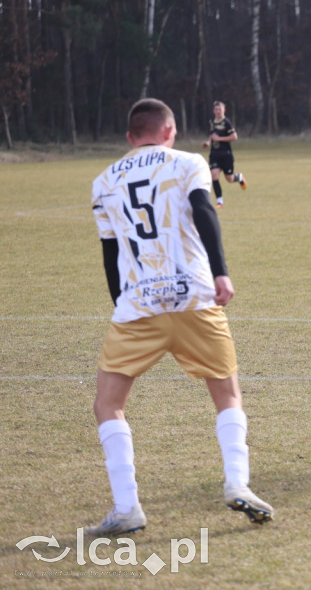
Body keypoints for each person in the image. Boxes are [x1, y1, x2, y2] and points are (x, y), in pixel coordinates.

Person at [87, 98, 273, 535]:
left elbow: (111, 254)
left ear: (130, 136)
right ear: (169, 131)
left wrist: (121, 300)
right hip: (194, 296)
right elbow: (204, 211)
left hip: (139, 307)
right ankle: (237, 483)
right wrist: (222, 273)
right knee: (227, 395)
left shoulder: (103, 182)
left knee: (108, 404)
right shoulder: (188, 161)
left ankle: (127, 507)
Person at [202, 100, 247, 207]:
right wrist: (208, 142)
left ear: (224, 110)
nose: (218, 111)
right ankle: (220, 201)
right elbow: (212, 135)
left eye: (220, 109)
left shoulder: (226, 122)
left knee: (229, 179)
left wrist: (220, 139)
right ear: (213, 111)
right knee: (214, 176)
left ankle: (239, 177)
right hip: (214, 154)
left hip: (226, 154)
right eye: (216, 109)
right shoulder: (212, 122)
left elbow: (234, 137)